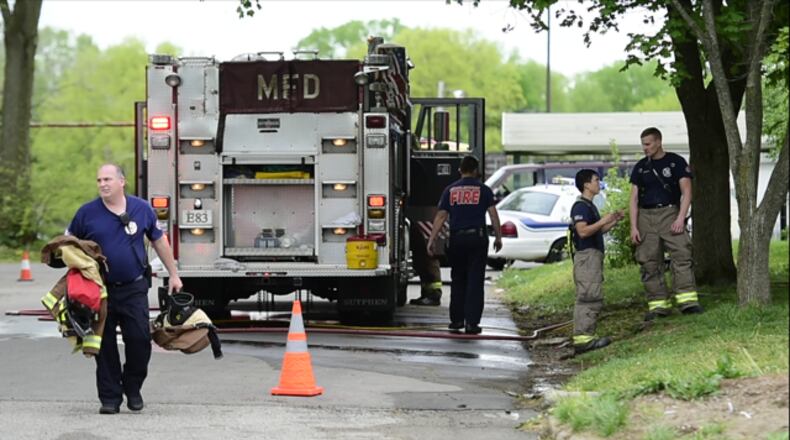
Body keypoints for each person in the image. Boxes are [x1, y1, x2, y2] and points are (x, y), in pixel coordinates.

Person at [67, 164, 183, 414]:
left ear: (122, 182)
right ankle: (110, 398)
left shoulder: (141, 209)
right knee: (104, 345)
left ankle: (132, 388)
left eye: (107, 179)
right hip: (99, 291)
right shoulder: (86, 213)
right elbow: (67, 244)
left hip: (133, 288)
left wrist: (173, 273)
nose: (102, 184)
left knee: (140, 341)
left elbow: (159, 241)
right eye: (98, 180)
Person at [629, 127, 703, 320]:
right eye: (643, 144)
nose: (645, 148)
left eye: (648, 144)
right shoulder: (640, 167)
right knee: (649, 260)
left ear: (658, 141)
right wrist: (634, 226)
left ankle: (688, 302)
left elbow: (687, 192)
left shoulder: (676, 162)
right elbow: (634, 199)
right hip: (645, 217)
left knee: (682, 254)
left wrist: (680, 217)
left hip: (670, 212)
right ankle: (658, 305)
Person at [426, 156, 502, 334]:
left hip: (457, 240)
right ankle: (472, 323)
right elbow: (493, 215)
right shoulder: (484, 190)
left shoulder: (450, 190)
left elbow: (441, 216)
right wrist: (498, 237)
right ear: (476, 170)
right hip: (477, 239)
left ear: (460, 170)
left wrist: (432, 239)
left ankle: (456, 320)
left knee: (458, 279)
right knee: (475, 281)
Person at [570, 169, 624, 354]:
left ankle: (586, 337)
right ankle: (584, 340)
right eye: (596, 180)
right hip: (587, 258)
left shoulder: (589, 205)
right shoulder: (580, 207)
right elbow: (583, 231)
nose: (598, 183)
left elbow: (596, 231)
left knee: (593, 294)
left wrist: (613, 221)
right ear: (586, 184)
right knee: (588, 296)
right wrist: (603, 221)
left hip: (593, 256)